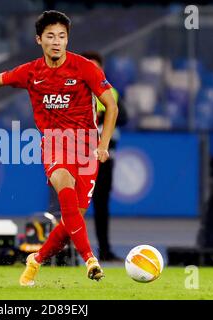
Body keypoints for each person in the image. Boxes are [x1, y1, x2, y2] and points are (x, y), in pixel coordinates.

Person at [0, 10, 118, 286]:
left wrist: (103, 145)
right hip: (54, 145)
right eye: (51, 36)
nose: (57, 42)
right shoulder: (30, 72)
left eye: (62, 36)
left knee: (71, 222)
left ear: (68, 40)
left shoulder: (85, 68)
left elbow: (111, 105)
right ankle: (91, 259)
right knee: (64, 187)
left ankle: (36, 259)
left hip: (86, 149)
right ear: (39, 40)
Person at [81, 51, 128, 262]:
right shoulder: (71, 91)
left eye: (96, 67)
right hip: (77, 157)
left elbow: (123, 116)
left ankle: (105, 250)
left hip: (102, 158)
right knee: (71, 206)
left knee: (101, 206)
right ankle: (64, 250)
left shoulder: (110, 93)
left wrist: (102, 116)